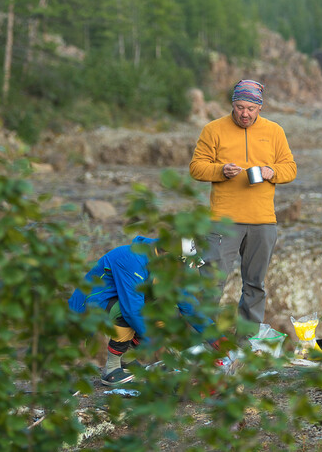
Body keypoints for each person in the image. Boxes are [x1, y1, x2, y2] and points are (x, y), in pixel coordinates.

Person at [189, 79, 297, 325]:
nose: (244, 114)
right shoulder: (213, 129)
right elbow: (196, 168)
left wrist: (272, 172)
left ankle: (246, 343)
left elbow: (290, 168)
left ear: (260, 106)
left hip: (263, 221)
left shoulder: (275, 131)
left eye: (250, 108)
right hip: (223, 220)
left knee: (255, 285)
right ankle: (204, 342)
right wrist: (220, 171)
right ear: (232, 104)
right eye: (239, 107)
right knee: (210, 283)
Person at [68, 235, 209, 387]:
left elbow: (186, 301)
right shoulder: (133, 259)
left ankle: (127, 359)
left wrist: (215, 336)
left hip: (118, 301)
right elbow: (132, 311)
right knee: (131, 313)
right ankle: (111, 368)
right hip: (92, 303)